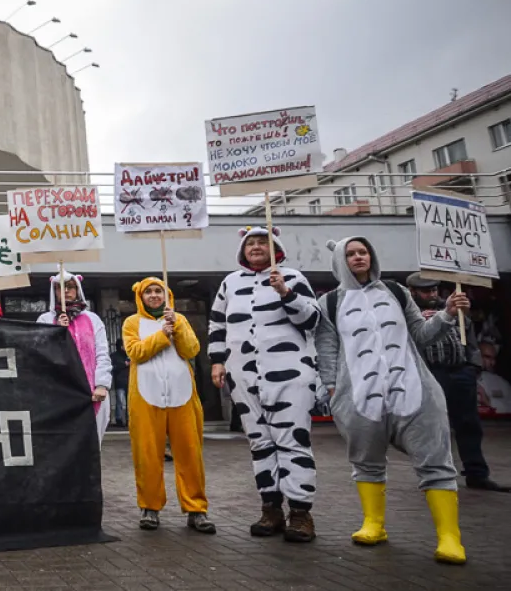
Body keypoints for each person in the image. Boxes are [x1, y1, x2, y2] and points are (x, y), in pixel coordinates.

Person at [316, 237, 470, 565]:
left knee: (436, 461)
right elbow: (326, 350)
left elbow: (422, 334)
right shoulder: (329, 303)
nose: (359, 257)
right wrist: (332, 391)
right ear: (340, 261)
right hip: (358, 396)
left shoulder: (396, 292)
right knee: (366, 462)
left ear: (372, 256)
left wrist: (446, 314)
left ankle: (449, 537)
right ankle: (374, 524)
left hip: (415, 390)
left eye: (363, 251)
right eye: (351, 253)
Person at [209, 226, 321, 542]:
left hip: (290, 373)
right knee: (259, 443)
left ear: (275, 248)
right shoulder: (229, 283)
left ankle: (300, 512)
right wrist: (217, 360)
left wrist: (286, 293)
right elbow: (217, 323)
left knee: (293, 440)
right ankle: (270, 508)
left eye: (263, 242)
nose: (256, 247)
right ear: (242, 251)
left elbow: (312, 320)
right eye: (251, 243)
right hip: (243, 374)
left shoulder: (294, 277)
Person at [123, 277, 214, 534]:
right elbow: (136, 352)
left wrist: (178, 329)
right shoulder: (132, 323)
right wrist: (162, 335)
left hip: (182, 395)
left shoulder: (179, 319)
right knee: (147, 455)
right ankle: (150, 507)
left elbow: (191, 350)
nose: (153, 295)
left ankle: (196, 509)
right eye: (148, 292)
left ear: (167, 296)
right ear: (140, 297)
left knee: (190, 454)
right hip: (145, 396)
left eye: (158, 291)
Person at [405, 273, 507, 492]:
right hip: (430, 372)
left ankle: (477, 473)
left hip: (460, 370)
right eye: (426, 291)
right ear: (413, 292)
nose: (432, 295)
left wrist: (473, 366)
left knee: (469, 424)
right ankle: (435, 475)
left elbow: (469, 335)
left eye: (434, 290)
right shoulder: (406, 311)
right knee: (433, 427)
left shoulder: (453, 306)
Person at [37, 272, 112, 444]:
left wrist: (102, 385)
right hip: (60, 393)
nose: (65, 291)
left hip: (91, 392)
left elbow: (102, 354)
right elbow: (41, 354)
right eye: (60, 287)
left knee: (91, 444)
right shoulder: (45, 319)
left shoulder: (92, 320)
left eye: (70, 286)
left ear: (78, 289)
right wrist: (57, 331)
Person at [110, 343, 130, 427]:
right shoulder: (114, 356)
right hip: (120, 381)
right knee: (120, 402)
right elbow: (112, 367)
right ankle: (119, 420)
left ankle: (128, 419)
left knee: (128, 402)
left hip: (128, 381)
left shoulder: (129, 354)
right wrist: (124, 364)